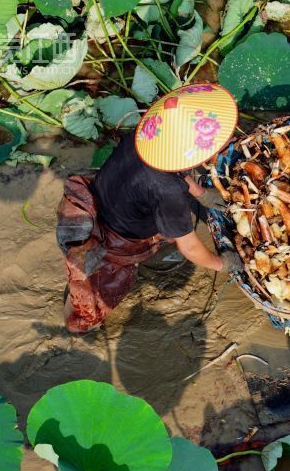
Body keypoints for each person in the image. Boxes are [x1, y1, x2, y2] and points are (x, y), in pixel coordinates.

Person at [56, 83, 241, 333]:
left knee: (164, 222)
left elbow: (173, 168)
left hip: (105, 197)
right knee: (89, 307)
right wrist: (221, 264)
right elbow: (189, 247)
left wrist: (200, 193)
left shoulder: (148, 136)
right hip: (114, 237)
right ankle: (77, 324)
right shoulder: (168, 191)